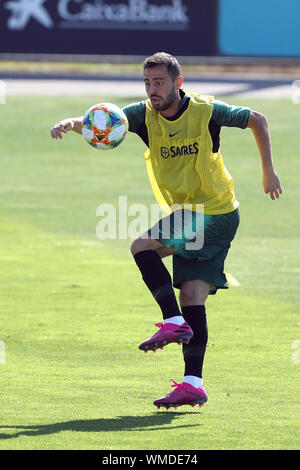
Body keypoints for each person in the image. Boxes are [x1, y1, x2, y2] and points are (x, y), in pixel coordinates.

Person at [50, 52, 282, 410]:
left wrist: (268, 171)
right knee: (192, 297)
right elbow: (107, 124)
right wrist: (73, 123)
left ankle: (170, 321)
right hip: (205, 213)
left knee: (142, 246)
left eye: (159, 82)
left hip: (213, 211)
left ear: (178, 82)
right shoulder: (143, 114)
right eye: (147, 82)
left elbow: (258, 119)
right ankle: (193, 384)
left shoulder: (206, 111)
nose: (152, 90)